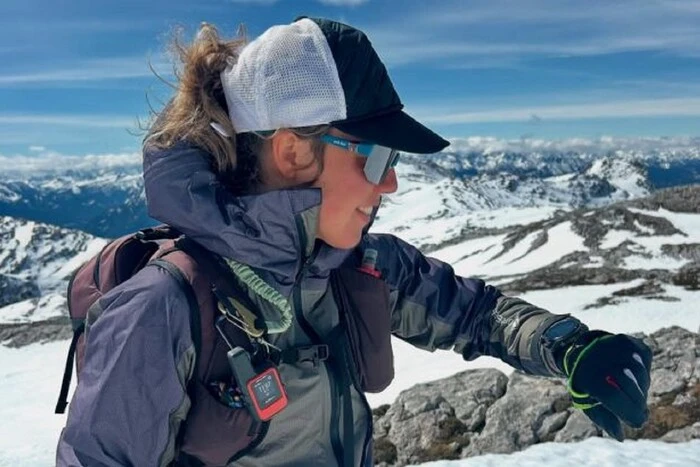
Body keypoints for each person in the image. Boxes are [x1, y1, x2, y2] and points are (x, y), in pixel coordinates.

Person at [56, 16, 653, 467]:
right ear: (294, 152)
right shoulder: (163, 307)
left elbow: (475, 314)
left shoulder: (354, 264)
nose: (390, 183)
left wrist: (572, 347)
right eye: (378, 156)